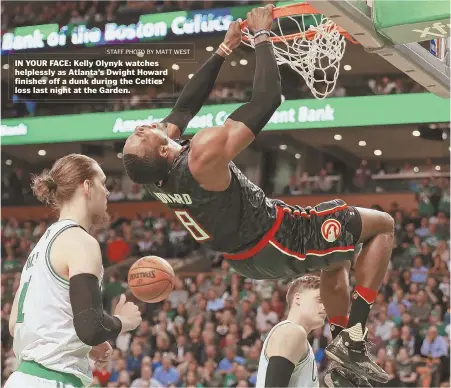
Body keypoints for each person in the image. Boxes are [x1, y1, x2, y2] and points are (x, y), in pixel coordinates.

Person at [122, 5, 393, 384]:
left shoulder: (152, 171)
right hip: (275, 237)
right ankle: (354, 343)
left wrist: (223, 50)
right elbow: (267, 101)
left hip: (243, 258)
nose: (142, 125)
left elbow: (185, 105)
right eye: (141, 132)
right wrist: (263, 35)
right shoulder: (200, 157)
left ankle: (343, 355)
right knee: (383, 225)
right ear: (165, 150)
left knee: (336, 258)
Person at [5, 154, 142, 388]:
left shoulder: (41, 245)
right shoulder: (81, 241)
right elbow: (90, 327)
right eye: (103, 182)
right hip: (52, 381)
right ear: (87, 186)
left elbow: (14, 324)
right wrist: (123, 321)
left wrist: (83, 345)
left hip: (23, 378)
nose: (107, 192)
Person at [255, 275, 325, 387]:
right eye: (320, 300)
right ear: (298, 299)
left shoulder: (297, 336)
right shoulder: (291, 331)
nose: (325, 306)